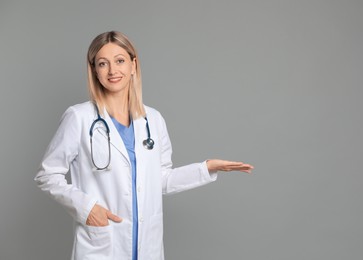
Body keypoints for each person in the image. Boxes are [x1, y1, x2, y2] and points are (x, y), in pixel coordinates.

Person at [35, 31, 253, 260]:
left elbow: (161, 179)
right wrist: (87, 208)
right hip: (103, 247)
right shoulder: (79, 117)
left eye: (119, 60)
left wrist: (207, 168)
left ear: (133, 65)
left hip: (147, 248)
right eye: (102, 63)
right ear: (94, 71)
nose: (112, 70)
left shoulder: (153, 120)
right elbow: (47, 175)